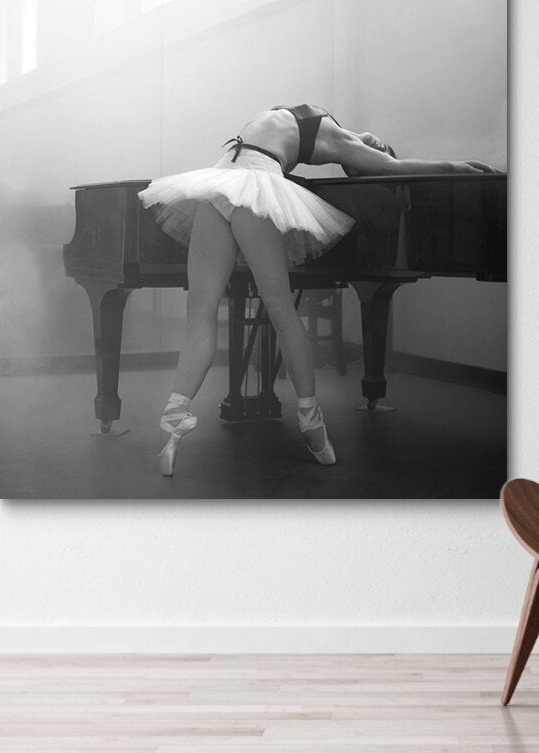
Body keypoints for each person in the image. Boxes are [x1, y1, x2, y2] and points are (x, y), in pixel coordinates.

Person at [138, 103, 499, 476]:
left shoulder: (337, 140)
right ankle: (307, 423)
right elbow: (381, 158)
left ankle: (179, 427)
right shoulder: (334, 134)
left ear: (359, 160)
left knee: (221, 310)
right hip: (238, 183)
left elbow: (393, 167)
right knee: (262, 309)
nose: (376, 145)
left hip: (224, 181)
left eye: (373, 151)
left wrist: (453, 166)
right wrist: (378, 146)